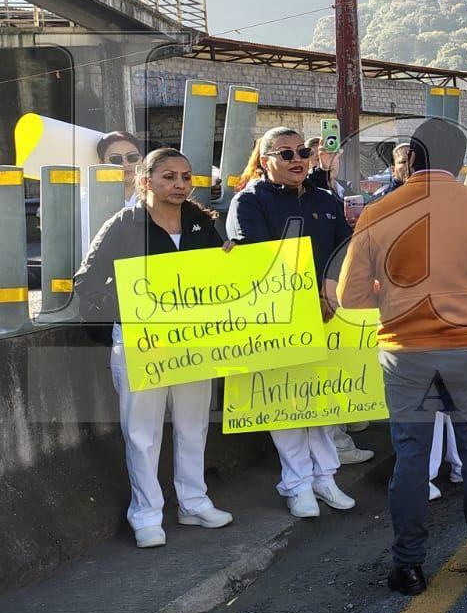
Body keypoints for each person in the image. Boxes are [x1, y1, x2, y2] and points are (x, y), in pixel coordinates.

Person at [337, 117, 467, 596]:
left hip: (405, 352)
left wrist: (392, 296)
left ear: (412, 158)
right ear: (458, 161)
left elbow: (350, 296)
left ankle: (408, 566)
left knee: (411, 458)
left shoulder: (378, 212)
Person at [73, 149, 234, 548]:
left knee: (193, 426)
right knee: (142, 432)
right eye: (169, 177)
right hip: (141, 343)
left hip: (194, 341)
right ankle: (146, 514)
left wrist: (229, 260)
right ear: (145, 181)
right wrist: (126, 317)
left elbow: (221, 279)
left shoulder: (201, 222)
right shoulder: (123, 224)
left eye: (186, 177)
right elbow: (87, 282)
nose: (179, 184)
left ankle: (194, 502)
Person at [228, 127, 361, 515]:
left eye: (302, 151)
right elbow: (259, 259)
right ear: (265, 159)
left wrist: (328, 291)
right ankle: (297, 483)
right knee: (284, 403)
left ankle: (325, 477)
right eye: (285, 154)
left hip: (326, 314)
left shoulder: (324, 198)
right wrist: (309, 297)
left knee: (320, 400)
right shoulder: (249, 201)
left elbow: (344, 249)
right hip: (278, 318)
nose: (297, 159)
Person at [95, 131, 143, 208]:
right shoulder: (86, 200)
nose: (126, 164)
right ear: (102, 163)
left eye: (132, 157)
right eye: (115, 159)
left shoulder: (157, 195)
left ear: (141, 159)